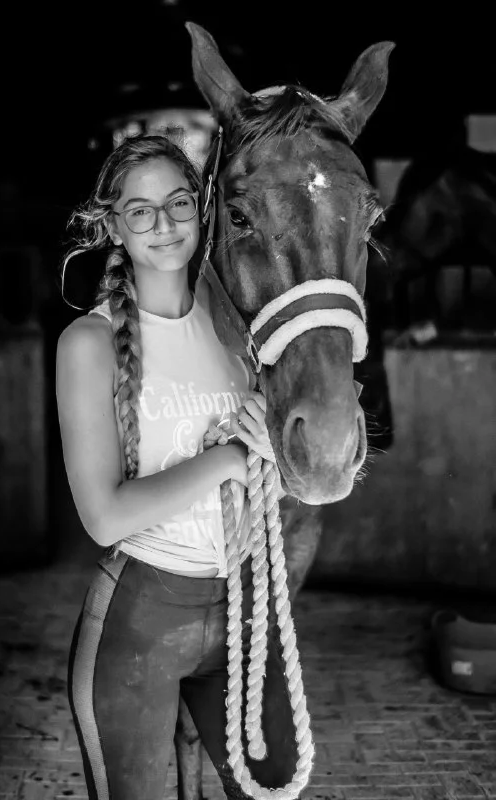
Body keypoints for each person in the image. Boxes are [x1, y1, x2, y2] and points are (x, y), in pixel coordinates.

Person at [56, 133, 299, 800]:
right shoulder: (88, 342)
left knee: (277, 786)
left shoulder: (238, 329)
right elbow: (105, 516)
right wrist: (224, 459)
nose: (163, 223)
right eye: (140, 210)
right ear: (113, 226)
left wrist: (267, 455)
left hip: (243, 610)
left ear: (201, 206)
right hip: (141, 619)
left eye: (178, 202)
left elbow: (269, 474)